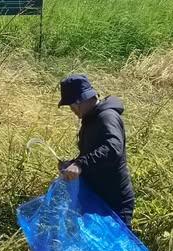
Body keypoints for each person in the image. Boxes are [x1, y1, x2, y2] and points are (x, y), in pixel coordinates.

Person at [58, 74, 135, 228]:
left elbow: (113, 148)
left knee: (114, 250)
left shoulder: (107, 117)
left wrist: (80, 164)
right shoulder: (91, 119)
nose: (72, 110)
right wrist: (72, 164)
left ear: (81, 100)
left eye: (72, 105)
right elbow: (93, 154)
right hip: (98, 198)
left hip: (115, 202)